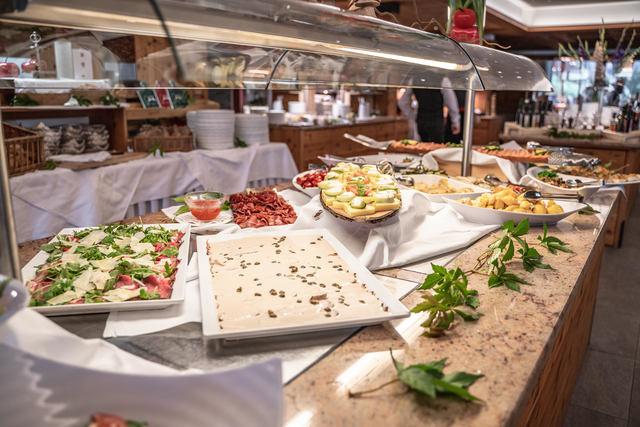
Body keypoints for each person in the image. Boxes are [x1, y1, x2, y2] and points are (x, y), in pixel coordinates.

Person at [398, 77, 461, 143]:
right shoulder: (443, 79)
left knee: (422, 146)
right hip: (436, 122)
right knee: (436, 147)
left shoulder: (413, 80)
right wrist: (455, 122)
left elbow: (402, 102)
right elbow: (451, 103)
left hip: (421, 121)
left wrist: (412, 116)